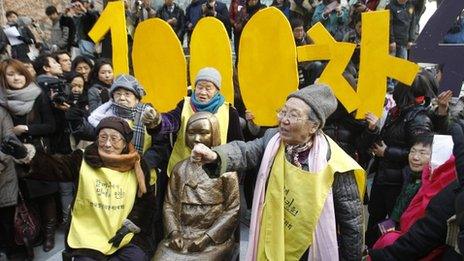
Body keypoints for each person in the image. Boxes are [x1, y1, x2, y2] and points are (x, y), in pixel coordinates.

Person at [191, 84, 365, 260]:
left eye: (293, 115)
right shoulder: (273, 140)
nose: (284, 120)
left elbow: (352, 222)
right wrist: (215, 155)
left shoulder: (335, 163)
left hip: (308, 249)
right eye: (283, 112)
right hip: (272, 235)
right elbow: (246, 151)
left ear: (313, 126)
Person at [1, 116, 157, 260]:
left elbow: (146, 203)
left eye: (115, 139)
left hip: (123, 233)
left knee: (134, 257)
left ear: (124, 143)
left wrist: (131, 226)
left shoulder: (137, 167)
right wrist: (25, 155)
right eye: (103, 137)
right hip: (88, 233)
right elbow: (55, 166)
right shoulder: (82, 159)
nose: (108, 144)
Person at [365, 73, 449, 246]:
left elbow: (422, 153)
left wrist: (388, 152)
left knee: (393, 222)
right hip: (384, 175)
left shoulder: (417, 119)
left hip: (398, 182)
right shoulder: (399, 112)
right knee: (376, 219)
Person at [154, 112, 240, 260]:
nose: (197, 138)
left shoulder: (226, 170)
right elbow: (170, 204)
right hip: (182, 233)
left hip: (213, 237)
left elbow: (232, 209)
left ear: (214, 133)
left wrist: (207, 238)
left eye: (203, 133)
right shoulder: (179, 168)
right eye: (191, 133)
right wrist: (174, 233)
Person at [142, 67, 244, 176]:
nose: (203, 92)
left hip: (215, 172)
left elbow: (236, 145)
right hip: (182, 171)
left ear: (217, 90)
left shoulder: (230, 112)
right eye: (200, 87)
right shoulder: (184, 104)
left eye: (208, 88)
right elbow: (171, 121)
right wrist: (157, 120)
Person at [0, 59, 57, 252]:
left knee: (45, 195)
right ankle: (36, 232)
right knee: (28, 197)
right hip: (14, 157)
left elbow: (51, 126)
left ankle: (49, 234)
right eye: (10, 74)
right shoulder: (3, 100)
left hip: (38, 153)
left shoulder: (38, 95)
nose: (16, 78)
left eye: (19, 73)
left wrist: (26, 129)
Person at [371, 133, 456, 260]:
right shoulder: (409, 176)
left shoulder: (440, 190)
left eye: (423, 153)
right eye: (413, 151)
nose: (415, 157)